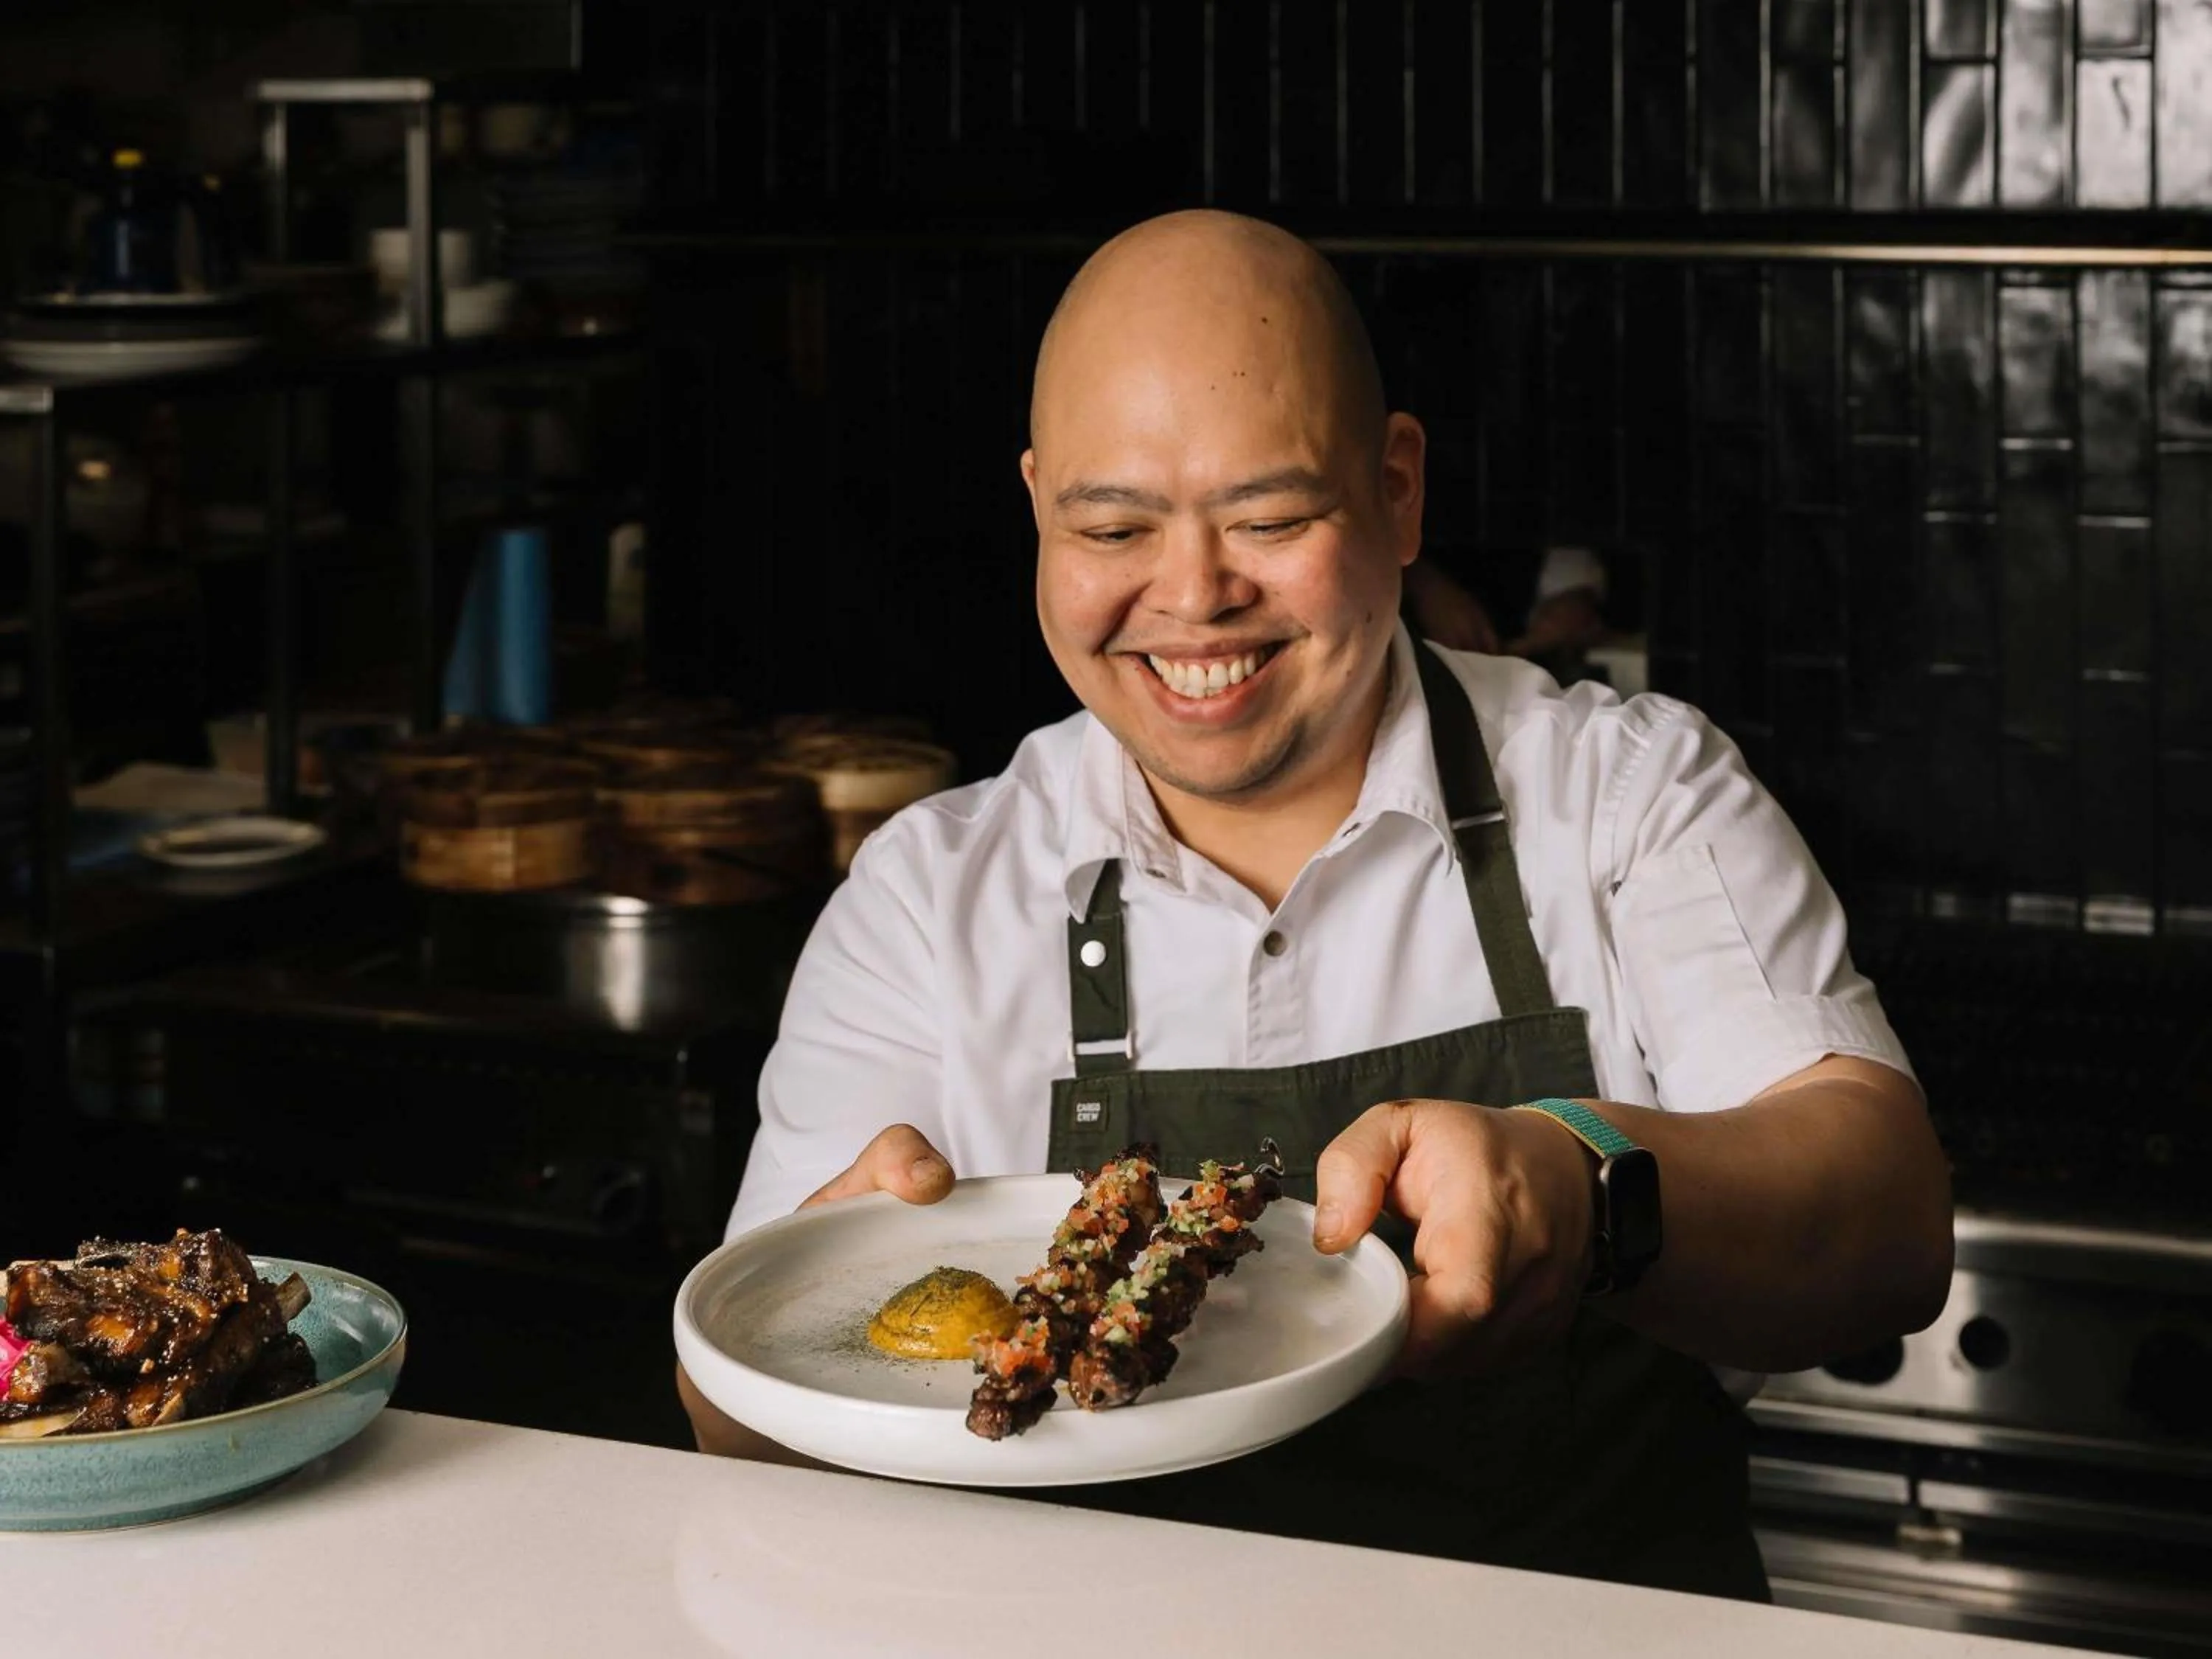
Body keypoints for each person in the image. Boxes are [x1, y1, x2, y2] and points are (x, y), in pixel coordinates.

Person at [678, 209, 1951, 1600]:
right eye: (1111, 525)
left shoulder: (1627, 792)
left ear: (1399, 490)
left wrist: (1586, 1184)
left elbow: (1888, 1225)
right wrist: (815, 1320)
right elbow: (733, 1438)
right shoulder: (930, 897)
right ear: (1038, 509)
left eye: (1270, 519)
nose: (1193, 597)